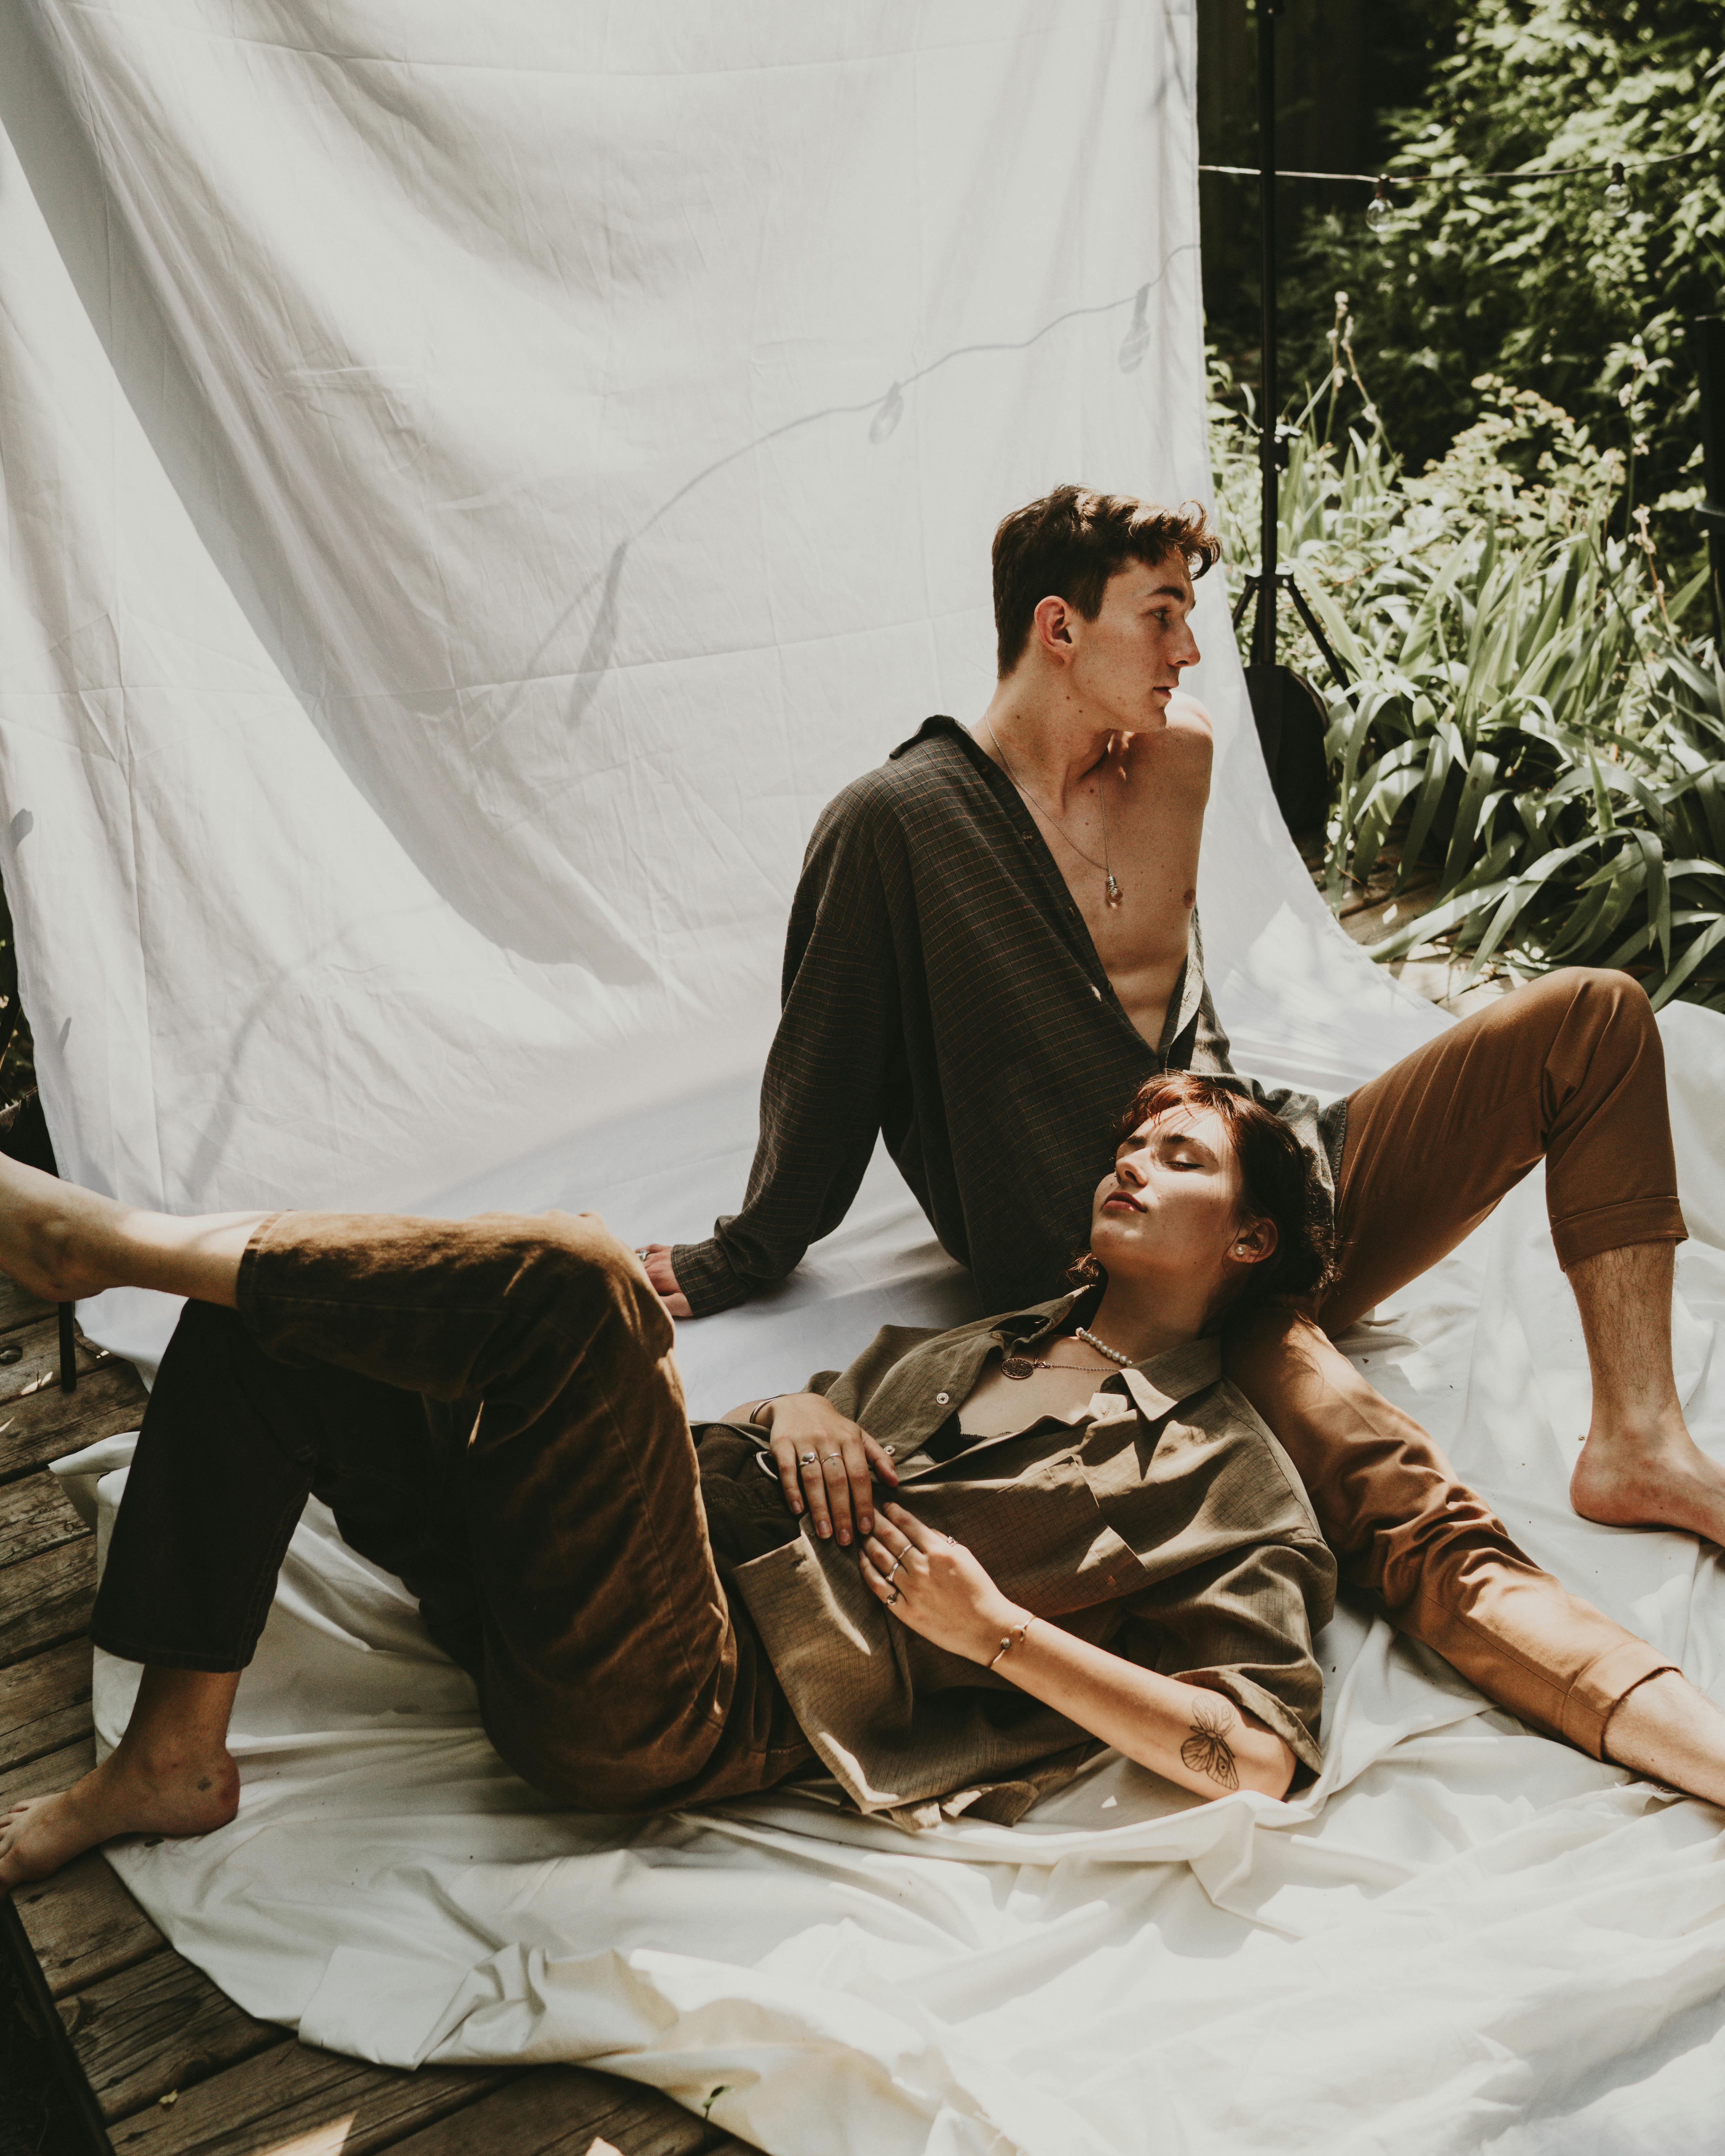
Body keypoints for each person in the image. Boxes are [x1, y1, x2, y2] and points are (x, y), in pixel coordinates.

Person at [641, 484, 1725, 1801]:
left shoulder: (1180, 758)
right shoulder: (898, 826)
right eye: (1162, 616)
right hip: (1157, 1271)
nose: (1191, 650)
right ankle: (1680, 1734)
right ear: (1058, 626)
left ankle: (1639, 1438)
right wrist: (732, 1256)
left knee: (1598, 1019)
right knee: (1402, 1506)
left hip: (1271, 1178)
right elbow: (824, 1082)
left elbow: (1179, 1035)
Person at [0, 1075, 1342, 1891]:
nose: (1131, 1157)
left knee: (581, 1276)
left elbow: (1262, 1752)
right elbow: (771, 1451)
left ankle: (105, 1244)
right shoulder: (990, 1341)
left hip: (683, 1694)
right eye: (1133, 1138)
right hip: (566, 1572)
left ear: (1253, 1236)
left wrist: (993, 1630)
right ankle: (173, 1758)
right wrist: (802, 1401)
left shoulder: (1224, 1469)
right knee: (282, 1319)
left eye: (1182, 1157)